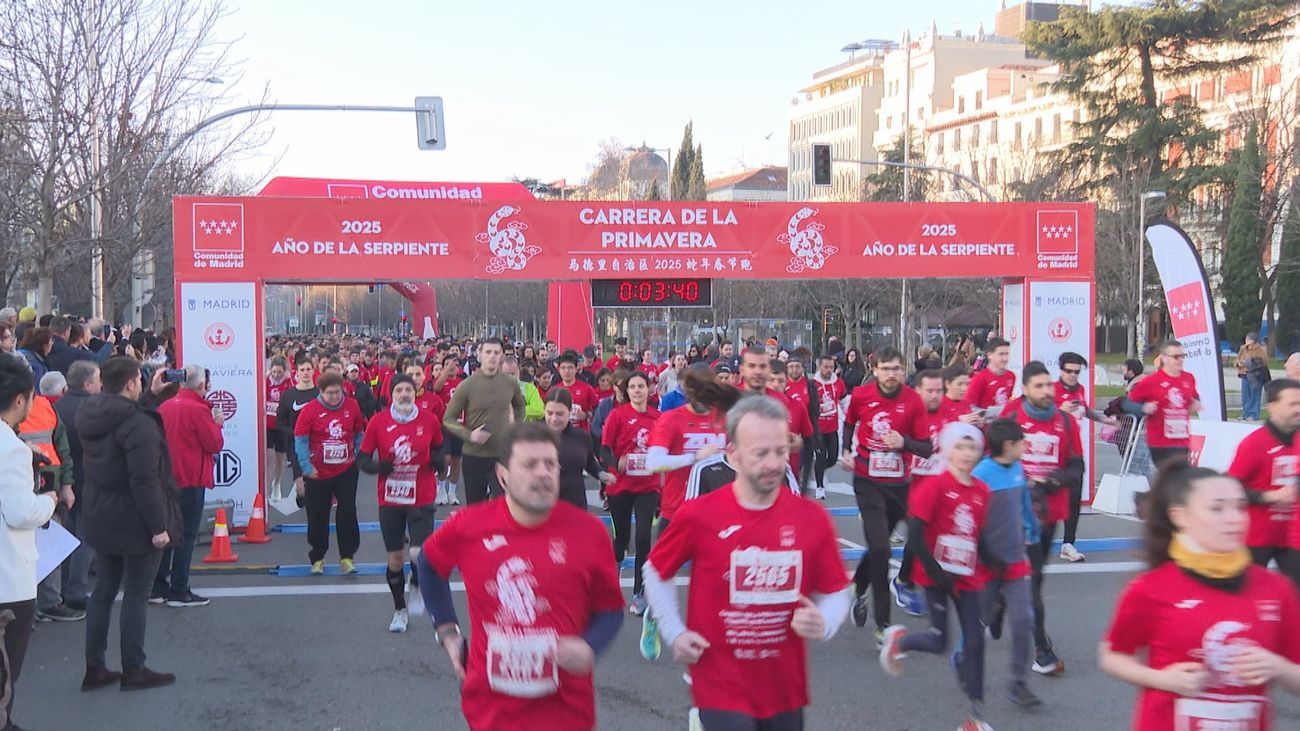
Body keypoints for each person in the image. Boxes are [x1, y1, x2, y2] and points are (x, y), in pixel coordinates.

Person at [643, 395, 851, 730]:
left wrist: (824, 621)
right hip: (719, 680)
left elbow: (837, 589)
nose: (773, 463)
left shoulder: (811, 518)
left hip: (783, 685)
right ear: (733, 454)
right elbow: (655, 570)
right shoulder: (700, 514)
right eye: (760, 453)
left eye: (780, 452)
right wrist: (674, 631)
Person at [417, 422, 625, 731]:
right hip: (491, 706)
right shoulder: (469, 526)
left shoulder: (590, 532)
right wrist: (447, 631)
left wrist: (589, 646)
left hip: (566, 708)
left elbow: (610, 610)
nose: (543, 473)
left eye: (550, 464)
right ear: (503, 475)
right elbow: (428, 564)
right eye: (529, 465)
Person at [1100, 463, 1300, 730]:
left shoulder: (1276, 589)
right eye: (1217, 508)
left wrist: (1278, 668)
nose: (1235, 518)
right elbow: (1112, 655)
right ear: (1180, 516)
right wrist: (1161, 679)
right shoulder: (1150, 588)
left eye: (1240, 507)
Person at [880, 422, 995, 731]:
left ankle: (975, 718)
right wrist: (934, 571)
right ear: (947, 450)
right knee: (938, 640)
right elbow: (915, 535)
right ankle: (900, 641)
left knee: (975, 641)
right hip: (934, 576)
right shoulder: (935, 485)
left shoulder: (982, 491)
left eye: (972, 447)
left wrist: (995, 563)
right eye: (960, 447)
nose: (967, 454)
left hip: (967, 576)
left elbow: (978, 535)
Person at [78, 356, 181, 691]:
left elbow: (123, 420)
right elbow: (144, 480)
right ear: (130, 383)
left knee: (104, 591)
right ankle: (133, 668)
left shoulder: (91, 412)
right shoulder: (137, 425)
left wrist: (151, 397)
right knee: (136, 592)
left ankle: (94, 668)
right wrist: (159, 527)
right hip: (135, 519)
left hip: (100, 513)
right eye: (140, 378)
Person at [840, 346, 933, 645]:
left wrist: (903, 441)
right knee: (881, 549)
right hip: (867, 480)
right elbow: (850, 422)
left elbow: (926, 447)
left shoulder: (913, 401)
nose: (892, 374)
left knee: (881, 545)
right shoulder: (862, 395)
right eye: (886, 368)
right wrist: (845, 450)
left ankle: (858, 583)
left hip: (898, 484)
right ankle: (884, 625)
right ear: (876, 369)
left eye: (897, 368)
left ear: (903, 370)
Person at [999, 360, 1083, 676]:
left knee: (1035, 575)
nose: (1047, 391)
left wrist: (1051, 481)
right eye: (1039, 386)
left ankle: (999, 606)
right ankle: (1042, 649)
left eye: (1049, 385)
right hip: (1013, 510)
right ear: (1025, 390)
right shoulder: (1010, 416)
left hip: (1048, 511)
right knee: (1028, 578)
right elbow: (993, 459)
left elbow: (1076, 468)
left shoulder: (1065, 421)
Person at [0, 353, 59, 728]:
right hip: (9, 581)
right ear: (20, 399)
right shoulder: (9, 446)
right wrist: (49, 501)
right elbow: (21, 512)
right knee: (6, 675)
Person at [358, 374, 443, 633]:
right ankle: (399, 609)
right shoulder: (378, 421)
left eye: (408, 390)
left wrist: (439, 461)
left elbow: (439, 446)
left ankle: (416, 582)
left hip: (422, 494)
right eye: (399, 391)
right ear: (391, 395)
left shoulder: (428, 420)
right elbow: (362, 458)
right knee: (395, 558)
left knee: (419, 553)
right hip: (392, 496)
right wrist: (376, 467)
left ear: (415, 392)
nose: (404, 394)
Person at [972, 419, 1042, 709]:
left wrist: (1032, 530)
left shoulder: (1017, 470)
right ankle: (964, 658)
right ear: (1007, 446)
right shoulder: (981, 474)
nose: (1026, 447)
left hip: (1014, 560)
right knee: (979, 620)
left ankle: (1018, 682)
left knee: (1023, 620)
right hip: (987, 563)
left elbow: (1024, 504)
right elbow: (972, 520)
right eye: (1021, 443)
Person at [153, 364, 224, 608]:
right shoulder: (198, 409)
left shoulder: (165, 406)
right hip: (191, 477)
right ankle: (179, 589)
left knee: (168, 533)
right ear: (202, 385)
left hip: (166, 477)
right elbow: (214, 444)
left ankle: (159, 586)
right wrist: (217, 423)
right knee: (186, 535)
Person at [600, 371, 661, 616]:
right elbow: (603, 451)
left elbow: (665, 451)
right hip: (621, 487)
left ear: (649, 390)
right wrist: (618, 463)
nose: (637, 391)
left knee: (644, 538)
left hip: (648, 487)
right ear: (627, 391)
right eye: (633, 387)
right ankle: (611, 585)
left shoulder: (658, 417)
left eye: (641, 386)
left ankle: (639, 593)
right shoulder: (618, 415)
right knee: (621, 542)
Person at [294, 372, 366, 575]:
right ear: (321, 392)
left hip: (345, 469)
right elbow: (300, 440)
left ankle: (347, 556)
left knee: (347, 511)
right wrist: (306, 467)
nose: (335, 397)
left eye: (338, 392)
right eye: (330, 393)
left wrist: (359, 454)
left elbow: (359, 432)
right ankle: (317, 557)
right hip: (318, 472)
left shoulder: (351, 406)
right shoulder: (309, 411)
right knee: (318, 515)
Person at [1226, 378, 1300, 569]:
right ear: (1272, 406)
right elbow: (1229, 489)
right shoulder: (1255, 444)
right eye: (1292, 404)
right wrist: (1270, 496)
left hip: (1292, 538)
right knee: (1249, 593)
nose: (1298, 409)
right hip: (1256, 538)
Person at [441, 338, 527, 504]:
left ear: (502, 355)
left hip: (501, 456)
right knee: (476, 510)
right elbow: (448, 419)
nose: (492, 356)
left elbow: (520, 407)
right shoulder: (467, 385)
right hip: (474, 456)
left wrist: (515, 424)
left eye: (496, 352)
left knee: (504, 505)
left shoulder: (510, 383)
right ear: (480, 354)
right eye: (488, 352)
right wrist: (469, 435)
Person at [52, 360, 100, 615]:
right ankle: (76, 591)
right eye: (98, 379)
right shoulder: (91, 408)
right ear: (88, 383)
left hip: (61, 480)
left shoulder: (57, 406)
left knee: (66, 536)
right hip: (86, 478)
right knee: (85, 537)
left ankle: (62, 588)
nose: (101, 384)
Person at [1129, 339, 1202, 467]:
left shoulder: (1188, 378)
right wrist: (1143, 408)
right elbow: (1127, 403)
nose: (1180, 360)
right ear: (1164, 358)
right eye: (1175, 357)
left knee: (1179, 482)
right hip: (1160, 443)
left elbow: (1194, 397)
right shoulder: (1151, 381)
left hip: (1182, 441)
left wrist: (1195, 404)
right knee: (1173, 480)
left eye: (1182, 356)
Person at [543, 387, 614, 509]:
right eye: (549, 413)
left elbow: (590, 463)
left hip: (575, 503)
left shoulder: (581, 436)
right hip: (543, 505)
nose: (554, 419)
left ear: (570, 411)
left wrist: (603, 475)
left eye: (560, 414)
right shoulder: (533, 437)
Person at [275, 358, 319, 503]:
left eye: (308, 369)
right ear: (297, 373)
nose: (305, 373)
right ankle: (302, 496)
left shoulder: (320, 394)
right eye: (302, 370)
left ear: (313, 371)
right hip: (296, 445)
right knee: (302, 489)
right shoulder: (288, 396)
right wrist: (293, 433)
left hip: (318, 445)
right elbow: (279, 421)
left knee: (318, 485)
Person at [812, 353, 846, 500]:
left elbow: (844, 402)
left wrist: (851, 416)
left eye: (831, 367)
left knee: (832, 458)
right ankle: (820, 487)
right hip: (817, 429)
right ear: (819, 367)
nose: (828, 370)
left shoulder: (838, 383)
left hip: (832, 428)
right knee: (820, 456)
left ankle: (820, 470)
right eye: (825, 367)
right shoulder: (812, 384)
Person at [784, 354, 821, 494]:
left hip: (806, 431)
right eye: (791, 367)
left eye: (797, 367)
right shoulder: (783, 385)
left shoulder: (809, 385)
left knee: (806, 462)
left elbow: (815, 407)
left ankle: (802, 491)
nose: (794, 370)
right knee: (792, 466)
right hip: (788, 434)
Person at [264, 356, 291, 500]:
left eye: (279, 372)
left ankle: (277, 484)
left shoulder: (288, 383)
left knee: (280, 459)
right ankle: (267, 489)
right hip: (267, 425)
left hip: (281, 426)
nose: (276, 375)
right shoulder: (265, 381)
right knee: (268, 459)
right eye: (274, 372)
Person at [966, 337, 1015, 417]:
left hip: (1003, 425)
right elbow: (969, 407)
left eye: (1007, 354)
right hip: (985, 427)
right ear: (990, 355)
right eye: (1001, 354)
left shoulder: (1011, 376)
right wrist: (991, 413)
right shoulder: (980, 378)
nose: (1005, 358)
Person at [553, 352, 599, 431]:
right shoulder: (554, 390)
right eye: (563, 368)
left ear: (575, 369)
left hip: (581, 434)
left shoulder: (586, 388)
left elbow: (597, 409)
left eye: (570, 367)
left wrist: (586, 415)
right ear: (559, 370)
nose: (567, 371)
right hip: (559, 434)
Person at [1236, 333, 1270, 421]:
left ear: (1254, 340)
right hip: (1244, 374)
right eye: (1246, 339)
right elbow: (1236, 359)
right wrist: (1238, 363)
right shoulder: (1243, 348)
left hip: (1255, 375)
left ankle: (1253, 415)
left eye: (1249, 339)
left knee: (1254, 395)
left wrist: (1248, 362)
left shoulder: (1260, 349)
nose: (1247, 341)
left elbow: (1264, 362)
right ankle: (1245, 414)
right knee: (1245, 395)